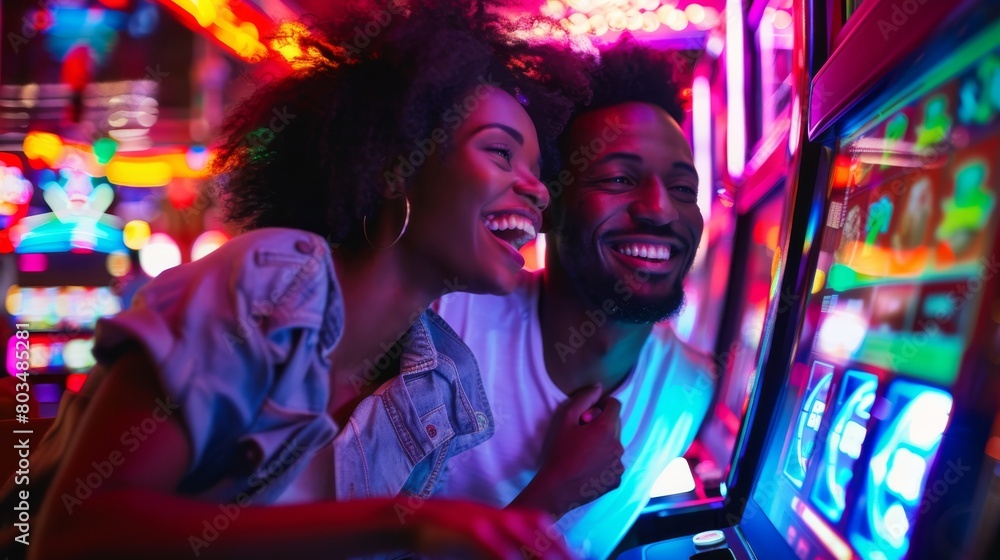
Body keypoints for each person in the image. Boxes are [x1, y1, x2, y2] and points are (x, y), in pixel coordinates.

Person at [0, 2, 586, 558]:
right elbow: (76, 536)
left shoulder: (440, 380)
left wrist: (550, 493)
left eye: (537, 170)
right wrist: (402, 522)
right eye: (502, 154)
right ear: (394, 167)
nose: (537, 189)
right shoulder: (271, 280)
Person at [435, 38, 718, 559]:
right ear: (549, 204)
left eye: (682, 189)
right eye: (618, 179)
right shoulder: (444, 320)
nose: (659, 210)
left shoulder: (690, 388)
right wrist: (555, 491)